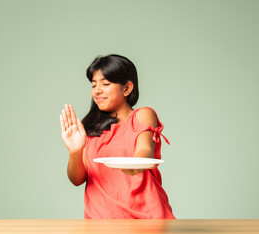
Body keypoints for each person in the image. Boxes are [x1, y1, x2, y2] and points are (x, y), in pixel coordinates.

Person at [59, 54, 175, 219]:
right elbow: (77, 179)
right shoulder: (90, 129)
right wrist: (75, 151)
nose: (97, 90)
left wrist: (136, 165)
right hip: (100, 222)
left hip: (147, 219)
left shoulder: (142, 115)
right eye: (94, 84)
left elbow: (145, 150)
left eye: (106, 83)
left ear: (127, 88)